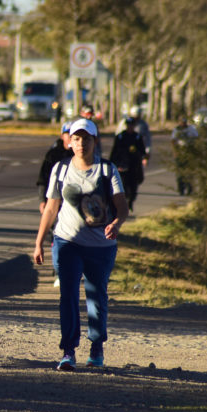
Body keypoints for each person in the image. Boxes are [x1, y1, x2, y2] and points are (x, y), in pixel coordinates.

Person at [33, 118, 128, 371]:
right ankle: (68, 351)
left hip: (101, 247)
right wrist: (39, 242)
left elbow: (122, 207)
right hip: (68, 242)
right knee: (68, 295)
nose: (81, 143)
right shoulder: (61, 169)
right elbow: (51, 208)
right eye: (76, 138)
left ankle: (96, 347)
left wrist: (116, 224)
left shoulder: (107, 170)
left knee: (96, 297)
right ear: (70, 142)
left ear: (94, 141)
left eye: (86, 138)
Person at [36, 121, 74, 284]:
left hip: (75, 205)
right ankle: (59, 270)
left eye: (73, 135)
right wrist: (42, 201)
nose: (70, 138)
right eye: (67, 134)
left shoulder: (81, 155)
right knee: (57, 235)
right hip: (55, 202)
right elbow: (42, 179)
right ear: (62, 135)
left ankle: (73, 270)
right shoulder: (53, 155)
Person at [110, 116, 147, 212]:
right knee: (123, 186)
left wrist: (138, 153)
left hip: (134, 167)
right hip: (122, 166)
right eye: (128, 125)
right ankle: (125, 204)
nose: (130, 127)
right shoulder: (120, 137)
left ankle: (131, 201)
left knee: (133, 187)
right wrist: (113, 164)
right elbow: (114, 152)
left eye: (132, 125)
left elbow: (143, 151)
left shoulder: (137, 137)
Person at [171, 115, 198, 196]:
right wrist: (176, 152)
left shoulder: (191, 129)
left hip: (189, 151)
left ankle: (190, 189)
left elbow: (196, 138)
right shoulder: (176, 130)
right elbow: (173, 141)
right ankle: (181, 189)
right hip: (180, 151)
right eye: (181, 122)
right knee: (180, 172)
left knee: (189, 172)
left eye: (184, 122)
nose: (183, 124)